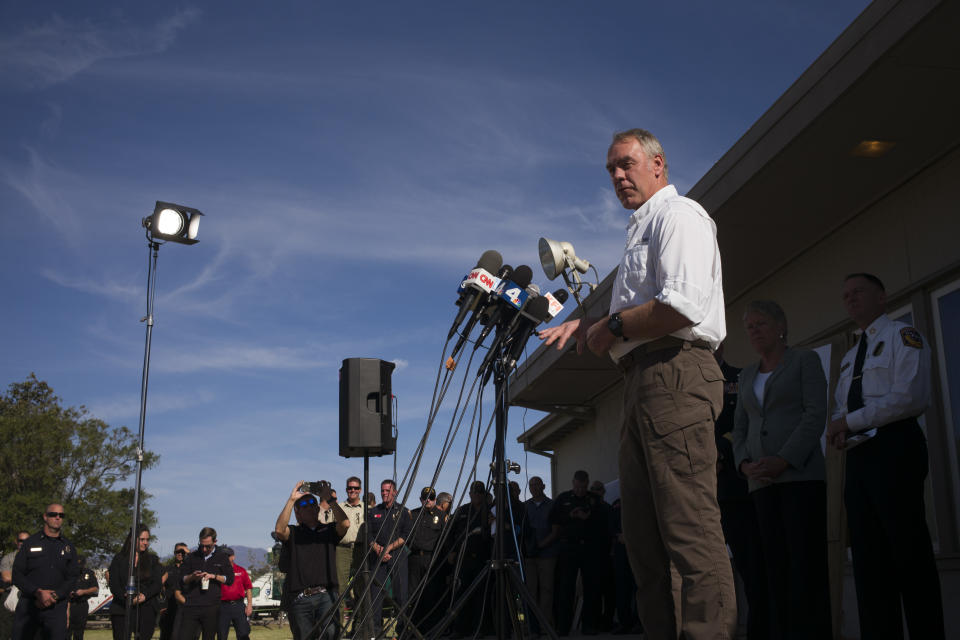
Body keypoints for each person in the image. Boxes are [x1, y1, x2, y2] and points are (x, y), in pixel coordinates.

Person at [539, 128, 735, 639]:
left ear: (658, 164)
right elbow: (636, 306)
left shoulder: (679, 216)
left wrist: (614, 326)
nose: (618, 176)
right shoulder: (640, 231)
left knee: (690, 534)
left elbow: (681, 304)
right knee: (645, 545)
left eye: (626, 164)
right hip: (641, 381)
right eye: (611, 170)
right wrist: (589, 325)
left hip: (676, 372)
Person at [825, 273, 945, 639]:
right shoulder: (848, 358)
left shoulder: (904, 337)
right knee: (868, 559)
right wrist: (839, 428)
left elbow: (909, 397)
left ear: (882, 296)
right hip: (860, 458)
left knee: (908, 554)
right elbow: (841, 407)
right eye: (845, 295)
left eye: (858, 291)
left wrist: (849, 421)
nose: (850, 299)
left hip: (895, 450)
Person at [732, 300, 831, 638]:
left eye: (760, 323)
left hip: (800, 478)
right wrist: (744, 464)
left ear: (780, 326)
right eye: (749, 326)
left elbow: (815, 414)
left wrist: (784, 459)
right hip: (760, 484)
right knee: (773, 568)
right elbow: (740, 429)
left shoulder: (805, 360)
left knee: (805, 565)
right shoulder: (746, 375)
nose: (754, 331)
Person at [713, 344, 769, 639]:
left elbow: (747, 426)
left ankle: (760, 630)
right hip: (695, 492)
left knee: (752, 566)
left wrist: (720, 453)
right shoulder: (680, 383)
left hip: (734, 488)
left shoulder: (740, 378)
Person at [274, 481, 349, 640]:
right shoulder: (294, 533)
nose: (309, 507)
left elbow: (345, 523)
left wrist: (330, 500)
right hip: (301, 598)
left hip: (326, 596)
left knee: (330, 634)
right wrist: (291, 499)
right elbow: (280, 530)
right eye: (304, 505)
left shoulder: (328, 530)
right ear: (297, 513)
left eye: (312, 504)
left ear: (317, 508)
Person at [546, 470, 605, 636]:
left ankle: (589, 625)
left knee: (591, 588)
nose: (580, 490)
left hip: (589, 549)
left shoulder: (595, 499)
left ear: (587, 484)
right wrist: (570, 516)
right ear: (573, 483)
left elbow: (603, 521)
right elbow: (552, 519)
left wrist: (589, 518)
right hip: (568, 548)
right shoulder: (563, 498)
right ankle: (563, 627)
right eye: (577, 486)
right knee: (565, 587)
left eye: (583, 487)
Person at [12, 504, 81, 640]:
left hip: (56, 609)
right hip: (30, 607)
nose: (57, 517)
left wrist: (55, 596)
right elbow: (17, 575)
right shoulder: (30, 543)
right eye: (53, 514)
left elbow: (72, 577)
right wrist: (37, 592)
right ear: (45, 517)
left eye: (61, 515)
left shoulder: (68, 547)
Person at [444, 481, 492, 638]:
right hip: (463, 559)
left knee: (480, 596)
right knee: (460, 594)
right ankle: (460, 629)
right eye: (474, 492)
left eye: (480, 492)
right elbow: (449, 533)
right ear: (470, 494)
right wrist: (451, 552)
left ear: (484, 494)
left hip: (482, 560)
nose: (477, 495)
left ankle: (480, 629)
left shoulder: (490, 512)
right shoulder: (462, 511)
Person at [364, 480, 411, 638]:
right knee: (376, 595)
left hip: (397, 553)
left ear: (395, 492)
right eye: (382, 490)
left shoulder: (402, 511)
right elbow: (368, 534)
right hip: (377, 555)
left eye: (387, 490)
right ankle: (376, 632)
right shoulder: (373, 512)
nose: (384, 493)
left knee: (401, 595)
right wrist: (377, 548)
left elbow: (406, 535)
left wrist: (389, 548)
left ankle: (402, 630)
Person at [177, 527, 234, 640]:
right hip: (192, 605)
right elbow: (181, 579)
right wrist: (192, 576)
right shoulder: (192, 557)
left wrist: (214, 576)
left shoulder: (222, 557)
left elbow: (230, 579)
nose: (204, 549)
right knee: (184, 636)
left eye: (208, 546)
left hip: (212, 606)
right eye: (201, 545)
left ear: (215, 542)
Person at [109, 525, 162, 640]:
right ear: (132, 539)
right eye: (142, 539)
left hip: (146, 606)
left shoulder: (152, 560)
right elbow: (114, 584)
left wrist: (145, 595)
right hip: (122, 607)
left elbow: (157, 584)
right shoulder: (119, 559)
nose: (146, 543)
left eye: (147, 540)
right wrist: (125, 596)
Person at [521, 476, 558, 635]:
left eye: (537, 484)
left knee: (547, 590)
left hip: (547, 554)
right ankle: (532, 626)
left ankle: (545, 625)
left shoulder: (552, 505)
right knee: (530, 591)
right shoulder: (525, 507)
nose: (534, 487)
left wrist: (541, 545)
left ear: (543, 486)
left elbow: (556, 531)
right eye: (531, 485)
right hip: (529, 556)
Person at [406, 487, 444, 632]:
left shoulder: (441, 516)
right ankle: (412, 628)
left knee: (430, 594)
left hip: (431, 559)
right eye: (425, 497)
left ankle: (429, 630)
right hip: (415, 558)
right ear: (421, 499)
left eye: (431, 498)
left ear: (435, 499)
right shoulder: (413, 514)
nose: (428, 500)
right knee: (413, 595)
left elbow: (444, 540)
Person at [336, 477, 364, 630]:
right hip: (342, 548)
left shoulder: (366, 508)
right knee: (340, 589)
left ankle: (358, 627)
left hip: (360, 549)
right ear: (346, 489)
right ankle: (338, 628)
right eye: (349, 488)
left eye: (355, 488)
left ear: (360, 489)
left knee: (360, 588)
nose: (352, 491)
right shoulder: (339, 507)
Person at [217, 549, 252, 640]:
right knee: (221, 635)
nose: (226, 558)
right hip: (223, 606)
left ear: (233, 556)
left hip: (238, 606)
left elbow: (248, 588)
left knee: (243, 634)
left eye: (228, 556)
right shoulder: (218, 572)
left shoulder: (241, 571)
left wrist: (249, 605)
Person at [1, 531, 29, 640]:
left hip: (28, 595)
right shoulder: (8, 558)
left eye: (26, 541)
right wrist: (26, 579)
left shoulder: (36, 559)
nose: (23, 543)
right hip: (10, 595)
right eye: (21, 540)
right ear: (16, 542)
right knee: (5, 631)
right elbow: (6, 577)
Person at [159, 543, 190, 640]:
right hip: (169, 608)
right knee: (166, 635)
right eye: (178, 551)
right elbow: (159, 587)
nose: (180, 554)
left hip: (185, 608)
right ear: (174, 553)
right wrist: (162, 606)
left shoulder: (190, 570)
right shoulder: (167, 569)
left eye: (183, 552)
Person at [67, 556, 98, 640]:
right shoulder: (67, 573)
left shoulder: (89, 573)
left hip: (81, 605)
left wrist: (84, 592)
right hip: (69, 604)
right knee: (67, 631)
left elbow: (95, 588)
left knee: (79, 632)